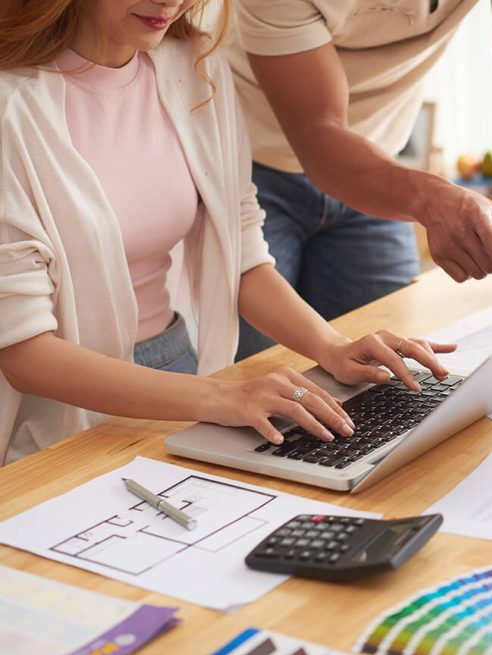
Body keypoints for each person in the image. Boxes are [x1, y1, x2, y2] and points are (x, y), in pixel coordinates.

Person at [0, 0, 455, 466]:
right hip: (65, 417)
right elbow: (24, 352)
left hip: (179, 367)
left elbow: (241, 256)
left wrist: (333, 347)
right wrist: (224, 398)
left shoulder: (195, 67)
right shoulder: (11, 107)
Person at [227, 0, 492, 359]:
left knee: (399, 377)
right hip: (250, 170)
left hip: (379, 170)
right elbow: (319, 133)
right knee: (264, 379)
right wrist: (432, 198)